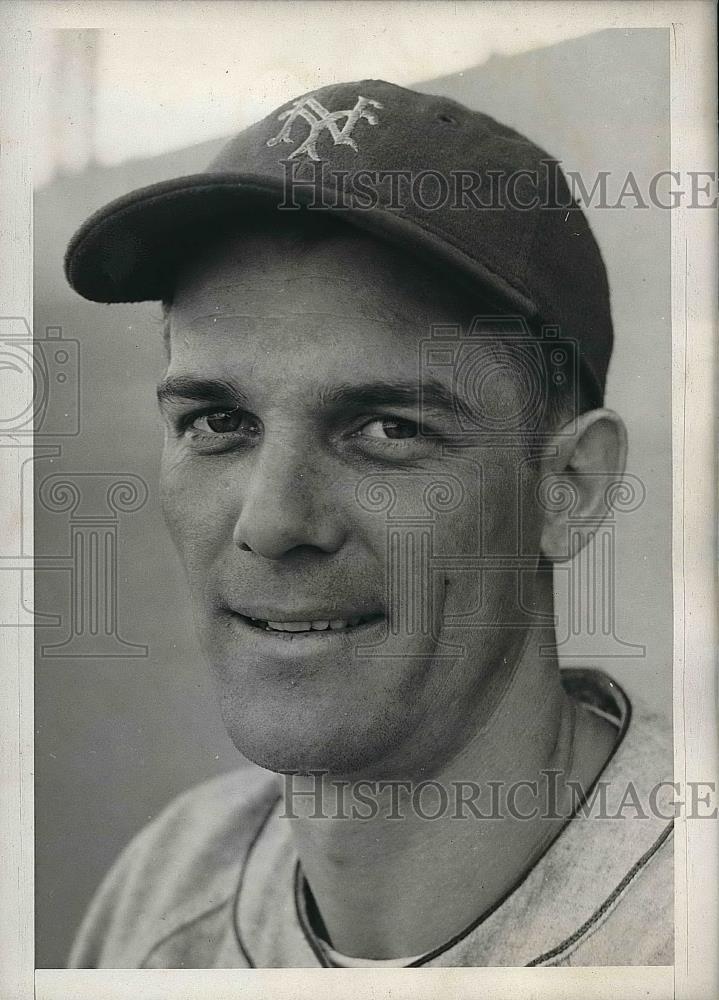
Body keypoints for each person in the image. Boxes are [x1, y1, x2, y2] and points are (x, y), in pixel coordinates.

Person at [63, 79, 673, 968]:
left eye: (388, 429)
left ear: (567, 487)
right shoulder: (164, 891)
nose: (272, 523)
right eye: (218, 423)